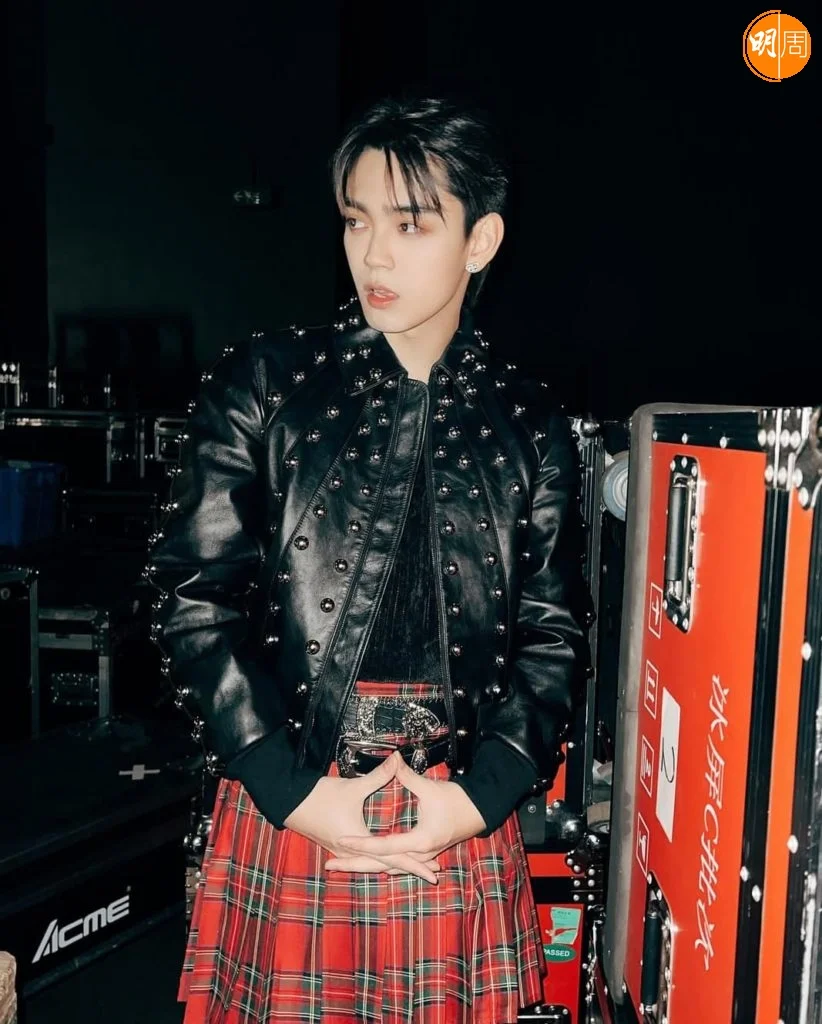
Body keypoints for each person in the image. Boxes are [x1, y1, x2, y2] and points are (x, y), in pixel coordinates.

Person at [146, 92, 592, 1024]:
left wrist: (478, 801)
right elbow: (191, 601)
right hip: (297, 790)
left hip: (456, 808)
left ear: (480, 241)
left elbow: (554, 637)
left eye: (410, 223)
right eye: (357, 221)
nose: (374, 255)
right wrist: (295, 791)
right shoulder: (265, 384)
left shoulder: (530, 424)